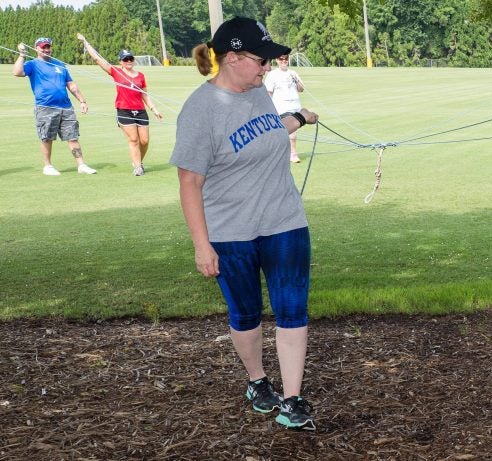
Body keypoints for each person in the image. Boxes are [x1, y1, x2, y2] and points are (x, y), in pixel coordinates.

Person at [170, 17, 320, 430]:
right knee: (246, 313)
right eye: (260, 60)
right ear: (232, 58)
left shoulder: (257, 93)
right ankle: (257, 381)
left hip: (284, 221)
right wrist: (203, 245)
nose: (266, 68)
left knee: (292, 309)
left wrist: (301, 119)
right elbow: (189, 182)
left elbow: (265, 134)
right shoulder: (200, 111)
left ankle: (293, 398)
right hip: (230, 232)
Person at [77, 34, 163, 176]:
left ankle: (139, 161)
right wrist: (86, 43)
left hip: (140, 111)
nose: (128, 61)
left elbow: (145, 95)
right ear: (121, 62)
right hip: (124, 110)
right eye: (125, 59)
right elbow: (98, 59)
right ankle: (137, 167)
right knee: (133, 139)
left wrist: (154, 109)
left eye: (130, 58)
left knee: (145, 140)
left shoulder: (140, 76)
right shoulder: (116, 72)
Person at [12, 37, 97, 176]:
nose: (46, 49)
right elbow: (17, 72)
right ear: (36, 49)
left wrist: (82, 100)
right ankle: (48, 166)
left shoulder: (60, 64)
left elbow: (71, 85)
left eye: (48, 47)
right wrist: (22, 54)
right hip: (45, 107)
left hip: (66, 107)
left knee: (72, 136)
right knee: (47, 137)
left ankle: (81, 165)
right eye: (43, 47)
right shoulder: (32, 64)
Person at [264, 54, 305, 163]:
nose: (283, 61)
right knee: (292, 132)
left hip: (295, 107)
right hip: (282, 107)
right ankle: (293, 154)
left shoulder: (293, 73)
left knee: (285, 132)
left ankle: (280, 153)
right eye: (281, 59)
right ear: (277, 60)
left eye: (285, 59)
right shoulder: (273, 75)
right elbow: (268, 92)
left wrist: (296, 80)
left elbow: (301, 89)